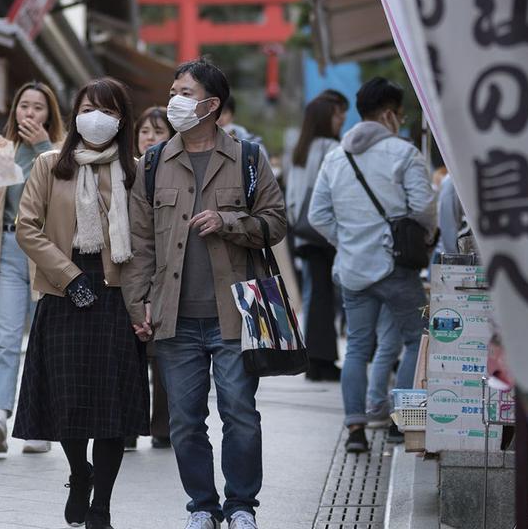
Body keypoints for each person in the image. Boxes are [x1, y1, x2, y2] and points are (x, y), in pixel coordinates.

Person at [123, 58, 287, 529]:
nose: (175, 100)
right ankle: (202, 505)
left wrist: (229, 222)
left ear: (212, 104)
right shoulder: (153, 163)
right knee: (185, 421)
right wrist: (140, 303)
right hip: (174, 317)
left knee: (240, 413)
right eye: (173, 91)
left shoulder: (249, 158)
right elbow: (140, 243)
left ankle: (240, 506)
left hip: (235, 314)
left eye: (185, 92)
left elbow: (275, 222)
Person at [12, 77, 150, 529]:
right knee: (69, 401)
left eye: (109, 111)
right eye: (90, 108)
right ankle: (79, 473)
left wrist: (142, 302)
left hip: (116, 293)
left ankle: (102, 507)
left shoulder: (136, 169)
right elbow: (26, 227)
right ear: (74, 115)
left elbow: (147, 240)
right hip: (63, 290)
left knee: (111, 409)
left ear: (122, 120)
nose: (98, 117)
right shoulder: (51, 165)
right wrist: (69, 278)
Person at [308, 77, 436, 453]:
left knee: (358, 348)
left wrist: (346, 239)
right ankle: (402, 423)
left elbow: (318, 215)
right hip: (397, 267)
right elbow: (424, 208)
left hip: (352, 269)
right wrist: (421, 236)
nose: (400, 119)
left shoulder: (336, 156)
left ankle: (355, 429)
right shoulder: (403, 153)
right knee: (416, 339)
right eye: (398, 113)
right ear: (387, 115)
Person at [0, 81, 65, 455]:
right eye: (24, 106)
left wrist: (43, 146)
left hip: (46, 251)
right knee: (4, 337)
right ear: (14, 111)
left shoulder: (61, 150)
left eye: (38, 107)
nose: (30, 113)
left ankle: (39, 425)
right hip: (6, 247)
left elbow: (66, 192)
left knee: (44, 340)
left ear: (50, 114)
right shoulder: (0, 150)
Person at [285, 92, 348, 382]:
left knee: (315, 297)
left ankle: (318, 357)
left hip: (302, 231)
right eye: (338, 115)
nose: (342, 120)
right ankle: (320, 361)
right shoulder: (330, 147)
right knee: (324, 299)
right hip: (323, 231)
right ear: (326, 117)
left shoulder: (301, 148)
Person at [127, 105, 176, 451]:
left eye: (159, 132)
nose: (150, 138)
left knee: (162, 354)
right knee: (128, 353)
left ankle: (163, 426)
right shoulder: (126, 170)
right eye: (145, 131)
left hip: (166, 270)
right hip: (128, 266)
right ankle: (127, 426)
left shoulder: (174, 172)